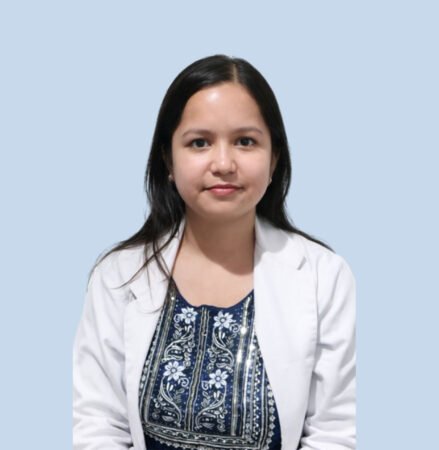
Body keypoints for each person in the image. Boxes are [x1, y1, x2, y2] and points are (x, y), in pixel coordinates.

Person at [73, 54, 356, 450]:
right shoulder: (118, 276)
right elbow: (98, 426)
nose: (223, 163)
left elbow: (334, 432)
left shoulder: (324, 276)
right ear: (168, 159)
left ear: (274, 157)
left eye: (245, 141)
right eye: (199, 143)